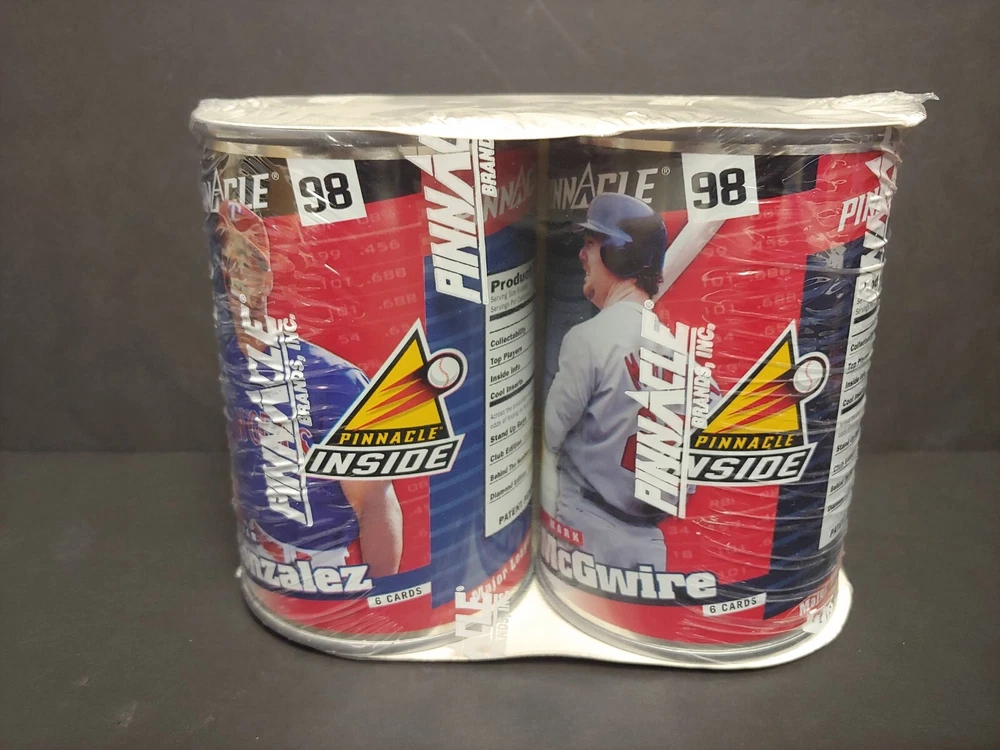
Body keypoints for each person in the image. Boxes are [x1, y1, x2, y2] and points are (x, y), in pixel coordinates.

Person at [214, 200, 402, 578]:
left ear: (268, 278)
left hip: (326, 566)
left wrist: (378, 599)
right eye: (228, 264)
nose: (237, 278)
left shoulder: (335, 380)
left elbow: (375, 503)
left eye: (248, 264)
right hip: (260, 552)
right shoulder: (232, 360)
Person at [543, 193, 675, 571]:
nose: (582, 256)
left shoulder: (589, 338)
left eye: (590, 244)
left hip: (585, 525)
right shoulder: (678, 350)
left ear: (620, 254)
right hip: (650, 544)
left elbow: (549, 436)